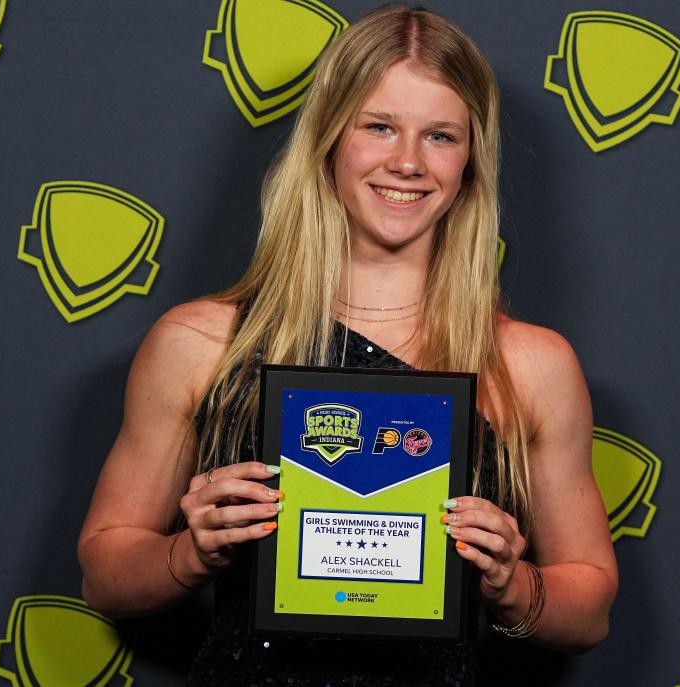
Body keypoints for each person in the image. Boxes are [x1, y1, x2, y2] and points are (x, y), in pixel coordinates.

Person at [78, 4, 617, 685]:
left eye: (441, 136)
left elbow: (589, 610)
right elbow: (103, 576)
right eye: (380, 126)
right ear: (329, 137)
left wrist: (512, 583)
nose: (407, 162)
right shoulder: (201, 342)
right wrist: (192, 552)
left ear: (471, 161)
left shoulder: (528, 364)